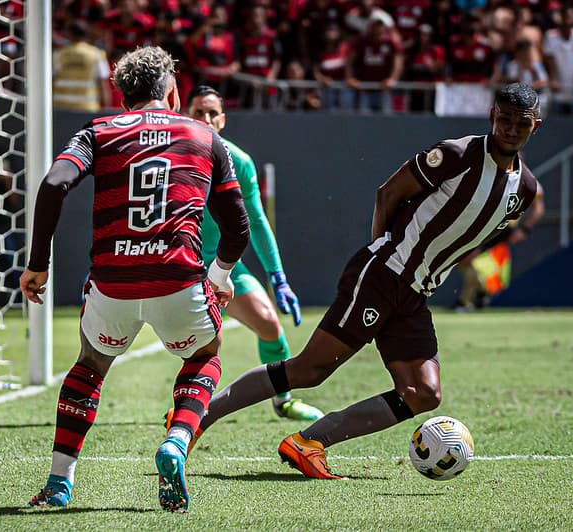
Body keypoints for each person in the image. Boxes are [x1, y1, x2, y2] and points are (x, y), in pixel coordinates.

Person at [169, 82, 543, 479]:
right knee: (309, 371)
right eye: (504, 120)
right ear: (492, 117)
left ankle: (308, 443)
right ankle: (196, 420)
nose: (510, 130)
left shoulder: (526, 189)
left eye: (521, 124)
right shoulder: (456, 155)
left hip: (415, 295)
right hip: (382, 275)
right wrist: (380, 253)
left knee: (423, 393)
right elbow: (388, 193)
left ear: (534, 127)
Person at [21, 46, 250, 512]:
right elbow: (237, 227)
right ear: (172, 91)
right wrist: (221, 274)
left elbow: (53, 184)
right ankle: (177, 440)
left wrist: (38, 263)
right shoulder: (205, 136)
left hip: (113, 285)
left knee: (89, 366)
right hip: (179, 283)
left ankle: (59, 482)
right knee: (206, 356)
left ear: (122, 96)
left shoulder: (97, 132)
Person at [187, 85, 324, 421]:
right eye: (197, 112)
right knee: (207, 338)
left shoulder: (240, 162)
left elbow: (258, 222)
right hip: (181, 264)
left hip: (223, 265)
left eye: (211, 113)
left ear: (222, 119)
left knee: (268, 324)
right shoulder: (177, 155)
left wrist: (278, 278)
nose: (205, 119)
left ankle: (284, 400)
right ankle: (188, 409)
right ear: (186, 116)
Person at [453, 180, 545, 311]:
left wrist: (525, 229)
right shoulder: (499, 173)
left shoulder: (528, 180)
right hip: (488, 225)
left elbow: (538, 209)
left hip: (502, 228)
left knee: (466, 257)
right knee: (463, 260)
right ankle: (481, 292)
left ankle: (464, 301)